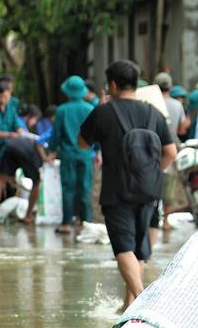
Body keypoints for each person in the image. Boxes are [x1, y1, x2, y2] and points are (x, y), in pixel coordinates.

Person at [79, 59, 177, 310]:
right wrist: (151, 174)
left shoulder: (103, 112)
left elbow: (82, 142)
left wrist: (99, 108)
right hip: (149, 191)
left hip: (116, 192)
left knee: (123, 248)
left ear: (112, 84)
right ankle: (128, 304)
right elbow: (171, 153)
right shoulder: (154, 113)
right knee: (138, 250)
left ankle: (142, 302)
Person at [49, 75, 96, 234]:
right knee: (85, 188)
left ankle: (67, 223)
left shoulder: (62, 110)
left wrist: (51, 151)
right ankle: (86, 222)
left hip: (68, 154)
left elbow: (56, 134)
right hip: (86, 154)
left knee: (68, 188)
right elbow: (95, 133)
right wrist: (98, 151)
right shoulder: (90, 109)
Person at [0, 131, 50, 225]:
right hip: (28, 151)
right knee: (36, 183)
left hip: (12, 144)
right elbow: (39, 143)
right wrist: (45, 158)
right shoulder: (46, 145)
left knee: (1, 179)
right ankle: (28, 216)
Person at [156, 72, 187, 144]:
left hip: (154, 144)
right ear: (170, 87)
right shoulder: (177, 104)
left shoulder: (150, 103)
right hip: (172, 144)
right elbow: (181, 131)